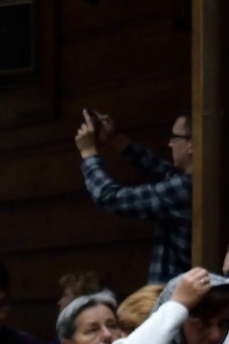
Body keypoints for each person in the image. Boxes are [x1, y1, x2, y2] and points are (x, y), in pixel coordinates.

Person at [77, 110, 192, 285]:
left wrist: (88, 152)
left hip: (176, 301)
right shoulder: (191, 183)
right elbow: (158, 169)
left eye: (174, 137)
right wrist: (114, 138)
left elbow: (110, 198)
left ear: (192, 144)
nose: (170, 143)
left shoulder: (185, 188)